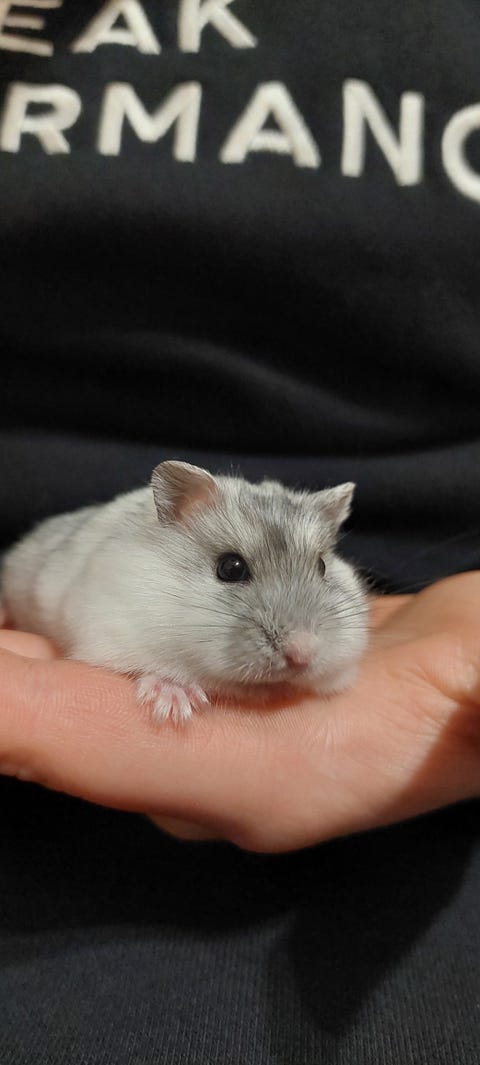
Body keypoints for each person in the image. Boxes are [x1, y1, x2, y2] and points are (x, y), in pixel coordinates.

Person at [1, 1, 479, 1061]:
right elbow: (88, 623)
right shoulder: (140, 543)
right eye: (231, 572)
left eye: (324, 570)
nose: (297, 638)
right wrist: (149, 674)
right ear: (177, 516)